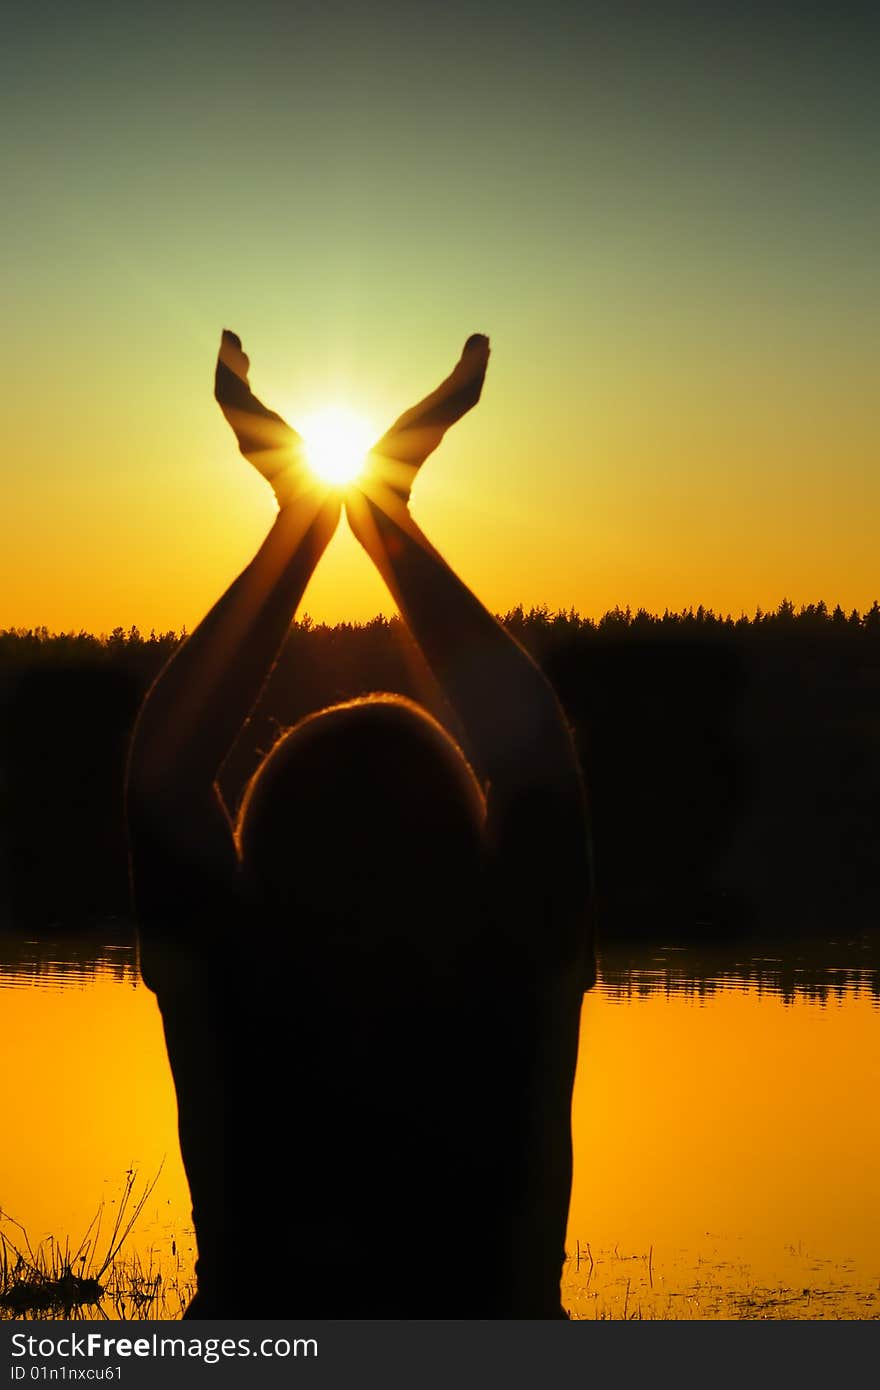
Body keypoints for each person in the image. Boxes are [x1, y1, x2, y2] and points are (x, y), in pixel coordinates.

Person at [126, 329, 595, 1318]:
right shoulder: (503, 992)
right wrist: (385, 514)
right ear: (467, 855)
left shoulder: (237, 1009)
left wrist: (300, 524)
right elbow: (537, 762)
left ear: (262, 858)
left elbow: (165, 781)